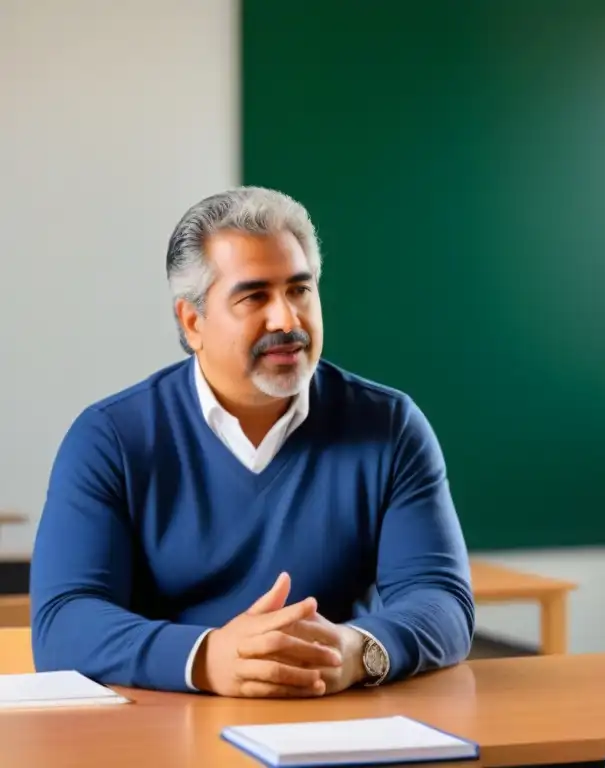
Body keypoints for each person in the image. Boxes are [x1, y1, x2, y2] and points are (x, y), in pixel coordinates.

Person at [30, 187, 475, 697]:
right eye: (254, 296)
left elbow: (441, 600)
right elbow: (64, 621)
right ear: (192, 322)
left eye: (300, 290)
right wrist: (208, 658)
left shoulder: (390, 426)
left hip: (336, 720)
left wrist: (357, 651)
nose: (286, 320)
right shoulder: (109, 437)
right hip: (165, 729)